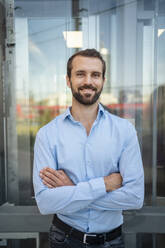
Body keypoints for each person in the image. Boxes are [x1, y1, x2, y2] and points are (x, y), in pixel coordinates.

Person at [33, 48, 144, 248]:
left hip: (112, 241)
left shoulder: (124, 131)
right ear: (68, 80)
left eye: (95, 75)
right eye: (80, 74)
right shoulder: (47, 135)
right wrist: (104, 185)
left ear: (103, 80)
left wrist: (72, 191)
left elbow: (135, 198)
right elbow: (46, 202)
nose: (88, 81)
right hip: (64, 239)